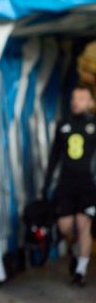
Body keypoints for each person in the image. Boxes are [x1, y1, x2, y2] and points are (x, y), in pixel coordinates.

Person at [42, 85, 96, 287]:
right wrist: (47, 183)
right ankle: (74, 252)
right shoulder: (63, 124)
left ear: (91, 102)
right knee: (65, 227)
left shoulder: (94, 124)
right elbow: (54, 156)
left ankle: (80, 271)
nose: (76, 102)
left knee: (83, 224)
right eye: (74, 98)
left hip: (88, 184)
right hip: (66, 183)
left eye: (81, 99)